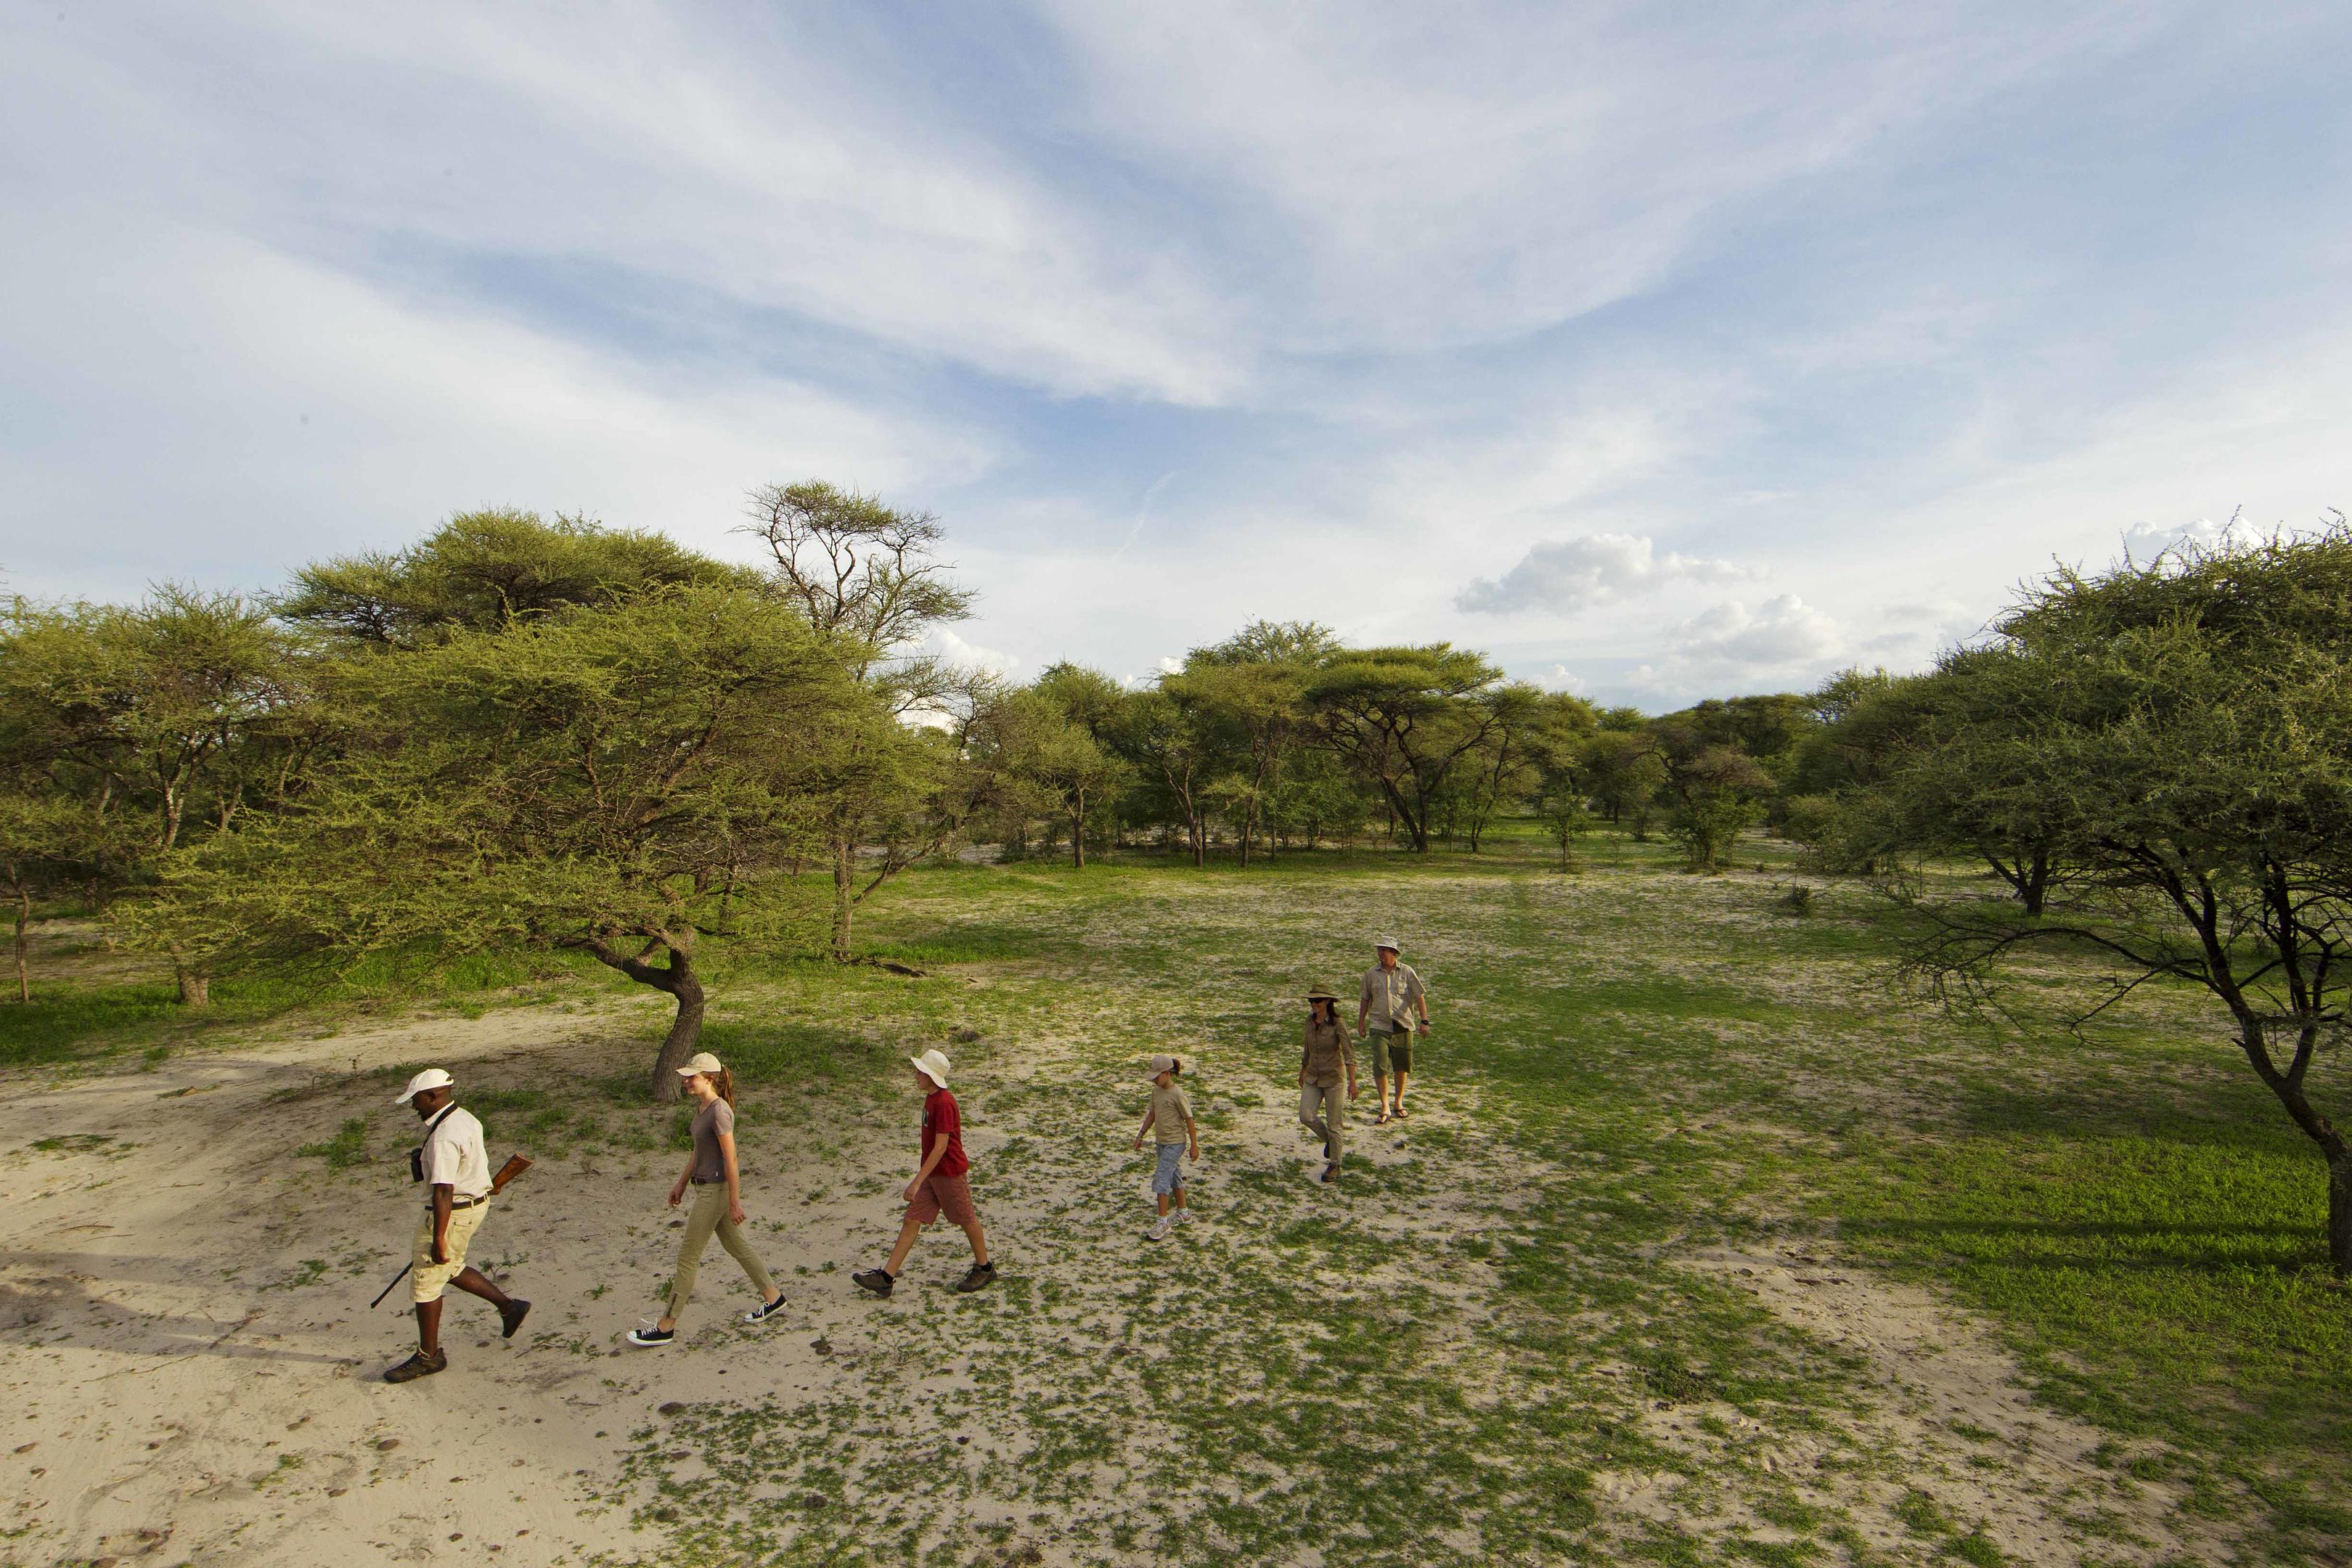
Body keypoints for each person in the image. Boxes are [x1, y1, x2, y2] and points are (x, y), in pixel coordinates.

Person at [627, 1053, 788, 1348]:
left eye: (692, 1077)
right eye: (686, 1077)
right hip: (705, 1188)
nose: (686, 1082)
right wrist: (681, 1184)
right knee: (737, 1245)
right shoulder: (703, 1108)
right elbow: (698, 1152)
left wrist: (735, 1202)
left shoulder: (719, 1112)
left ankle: (666, 1326)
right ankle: (773, 1298)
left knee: (687, 1258)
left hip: (715, 1191)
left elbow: (732, 1159)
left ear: (709, 1079)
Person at [383, 1068, 529, 1384]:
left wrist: (438, 1238)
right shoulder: (465, 1118)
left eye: (417, 1100)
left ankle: (429, 1357)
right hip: (474, 1205)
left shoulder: (444, 1137)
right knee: (452, 1266)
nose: (414, 1107)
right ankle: (508, 1307)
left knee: (426, 1283)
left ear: (433, 1096)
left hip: (452, 1212)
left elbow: (444, 1190)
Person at [852, 1049, 995, 1299]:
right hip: (933, 1173)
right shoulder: (931, 1099)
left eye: (921, 1072)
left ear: (931, 1076)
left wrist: (917, 1181)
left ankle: (985, 1268)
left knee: (966, 1218)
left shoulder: (943, 1103)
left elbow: (941, 1147)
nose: (916, 1075)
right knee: (912, 1219)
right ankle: (886, 1277)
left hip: (948, 1173)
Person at [1356, 936, 1430, 1123]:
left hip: (1403, 1025)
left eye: (1385, 950)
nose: (1381, 953)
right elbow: (1365, 998)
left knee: (1401, 1065)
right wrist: (1361, 1022)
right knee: (1380, 1065)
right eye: (1379, 949)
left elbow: (1419, 996)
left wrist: (1424, 1021)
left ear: (1394, 953)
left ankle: (1398, 1102)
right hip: (1379, 1026)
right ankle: (1384, 1105)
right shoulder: (1371, 974)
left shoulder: (1407, 971)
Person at [1131, 1053, 1200, 1239]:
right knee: (1174, 1176)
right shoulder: (1156, 1092)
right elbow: (1152, 1115)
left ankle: (1163, 1222)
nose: (1154, 1081)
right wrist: (1140, 1135)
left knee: (1162, 1178)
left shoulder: (1178, 1094)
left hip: (1175, 1143)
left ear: (1168, 1073)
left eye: (1157, 1076)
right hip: (1161, 1143)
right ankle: (1184, 1213)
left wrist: (1194, 1146)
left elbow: (1190, 1120)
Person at [1297, 986, 1359, 1182]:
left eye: (1317, 1001)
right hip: (1314, 1076)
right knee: (1306, 1116)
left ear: (1327, 1002)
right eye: (1311, 1002)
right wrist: (1303, 1070)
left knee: (1335, 1124)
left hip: (1334, 1078)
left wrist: (1353, 1082)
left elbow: (1349, 1052)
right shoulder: (1309, 1022)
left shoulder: (1337, 1023)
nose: (1314, 1005)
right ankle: (1331, 1143)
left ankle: (1335, 1165)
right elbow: (1307, 1048)